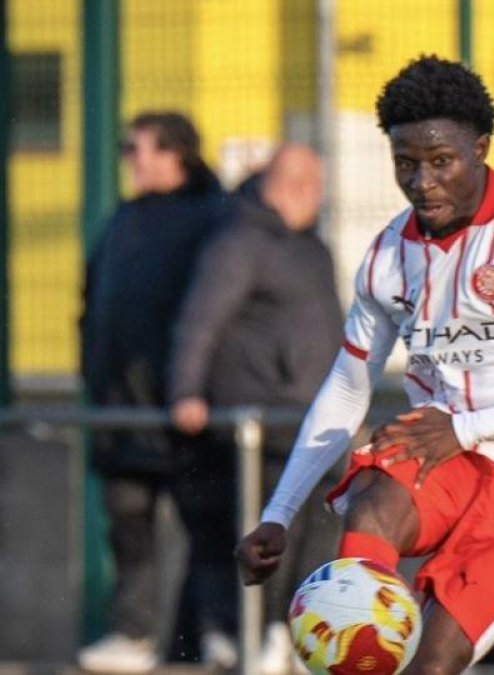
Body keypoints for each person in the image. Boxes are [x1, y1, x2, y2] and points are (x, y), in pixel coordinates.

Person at [234, 55, 494, 673]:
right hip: (442, 450)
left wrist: (466, 428)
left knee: (433, 663)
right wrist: (279, 514)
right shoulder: (390, 253)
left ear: (483, 148)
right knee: (370, 506)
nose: (423, 182)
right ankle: (355, 631)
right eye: (405, 164)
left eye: (441, 162)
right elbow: (346, 382)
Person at [168, 145, 344, 674]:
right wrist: (186, 392)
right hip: (261, 423)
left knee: (320, 529)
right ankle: (252, 637)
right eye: (313, 185)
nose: (319, 196)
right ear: (291, 186)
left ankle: (287, 634)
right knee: (263, 533)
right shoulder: (239, 243)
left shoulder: (312, 246)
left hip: (312, 422)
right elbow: (201, 319)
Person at [78, 111, 229, 673]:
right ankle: (133, 635)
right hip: (120, 410)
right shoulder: (123, 219)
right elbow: (94, 302)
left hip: (187, 413)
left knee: (210, 531)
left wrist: (196, 387)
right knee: (128, 531)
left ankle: (218, 634)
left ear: (176, 154)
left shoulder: (213, 217)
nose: (130, 161)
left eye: (138, 149)